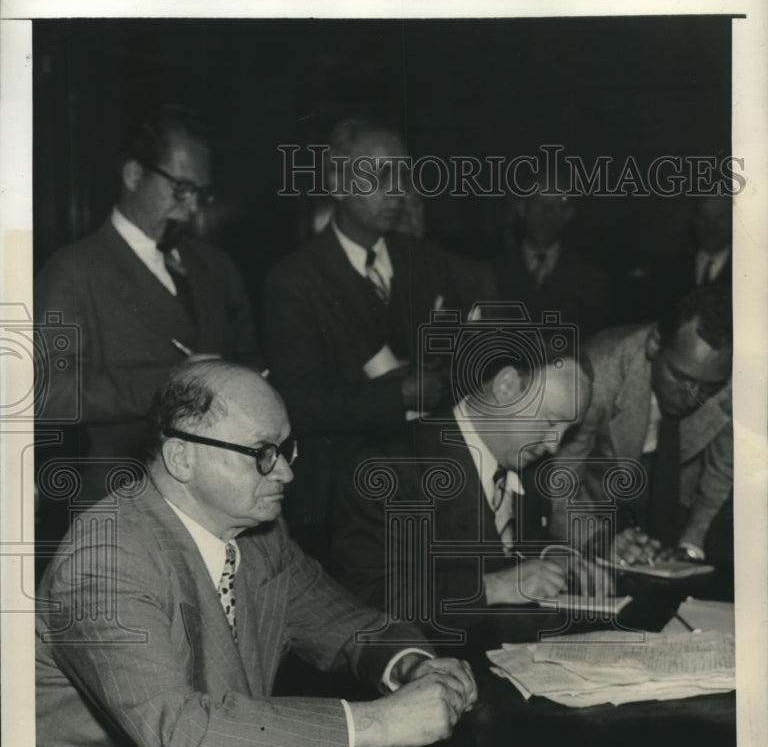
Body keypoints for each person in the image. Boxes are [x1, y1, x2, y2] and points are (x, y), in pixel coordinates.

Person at [35, 361, 476, 747]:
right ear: (181, 458)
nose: (286, 472)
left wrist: (412, 667)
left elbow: (346, 624)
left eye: (287, 450)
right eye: (263, 454)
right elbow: (184, 736)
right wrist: (383, 721)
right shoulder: (107, 560)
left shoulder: (259, 535)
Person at [34, 105, 260, 509]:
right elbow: (46, 392)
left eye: (202, 193)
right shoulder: (72, 270)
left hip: (220, 499)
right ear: (133, 175)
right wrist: (169, 383)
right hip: (120, 503)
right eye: (181, 189)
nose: (193, 208)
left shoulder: (217, 266)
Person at [261, 118, 457, 559]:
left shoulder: (428, 262)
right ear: (336, 181)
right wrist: (400, 394)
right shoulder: (294, 278)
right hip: (335, 506)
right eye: (379, 174)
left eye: (404, 174)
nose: (398, 190)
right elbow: (298, 402)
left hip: (428, 494)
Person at [330, 347, 595, 642]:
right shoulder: (389, 466)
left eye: (566, 431)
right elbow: (369, 597)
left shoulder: (529, 463)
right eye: (550, 422)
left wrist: (553, 558)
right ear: (506, 386)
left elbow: (514, 550)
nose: (553, 445)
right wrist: (492, 587)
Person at [551, 285, 732, 567]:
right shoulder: (594, 375)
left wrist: (690, 548)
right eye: (680, 377)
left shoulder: (735, 386)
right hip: (593, 514)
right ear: (654, 344)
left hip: (675, 511)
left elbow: (721, 477)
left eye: (709, 387)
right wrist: (598, 541)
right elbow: (557, 485)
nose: (692, 397)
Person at [491, 188, 612, 339]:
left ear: (568, 214)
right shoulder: (490, 274)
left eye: (558, 205)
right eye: (538, 203)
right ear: (522, 209)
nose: (547, 213)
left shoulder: (591, 280)